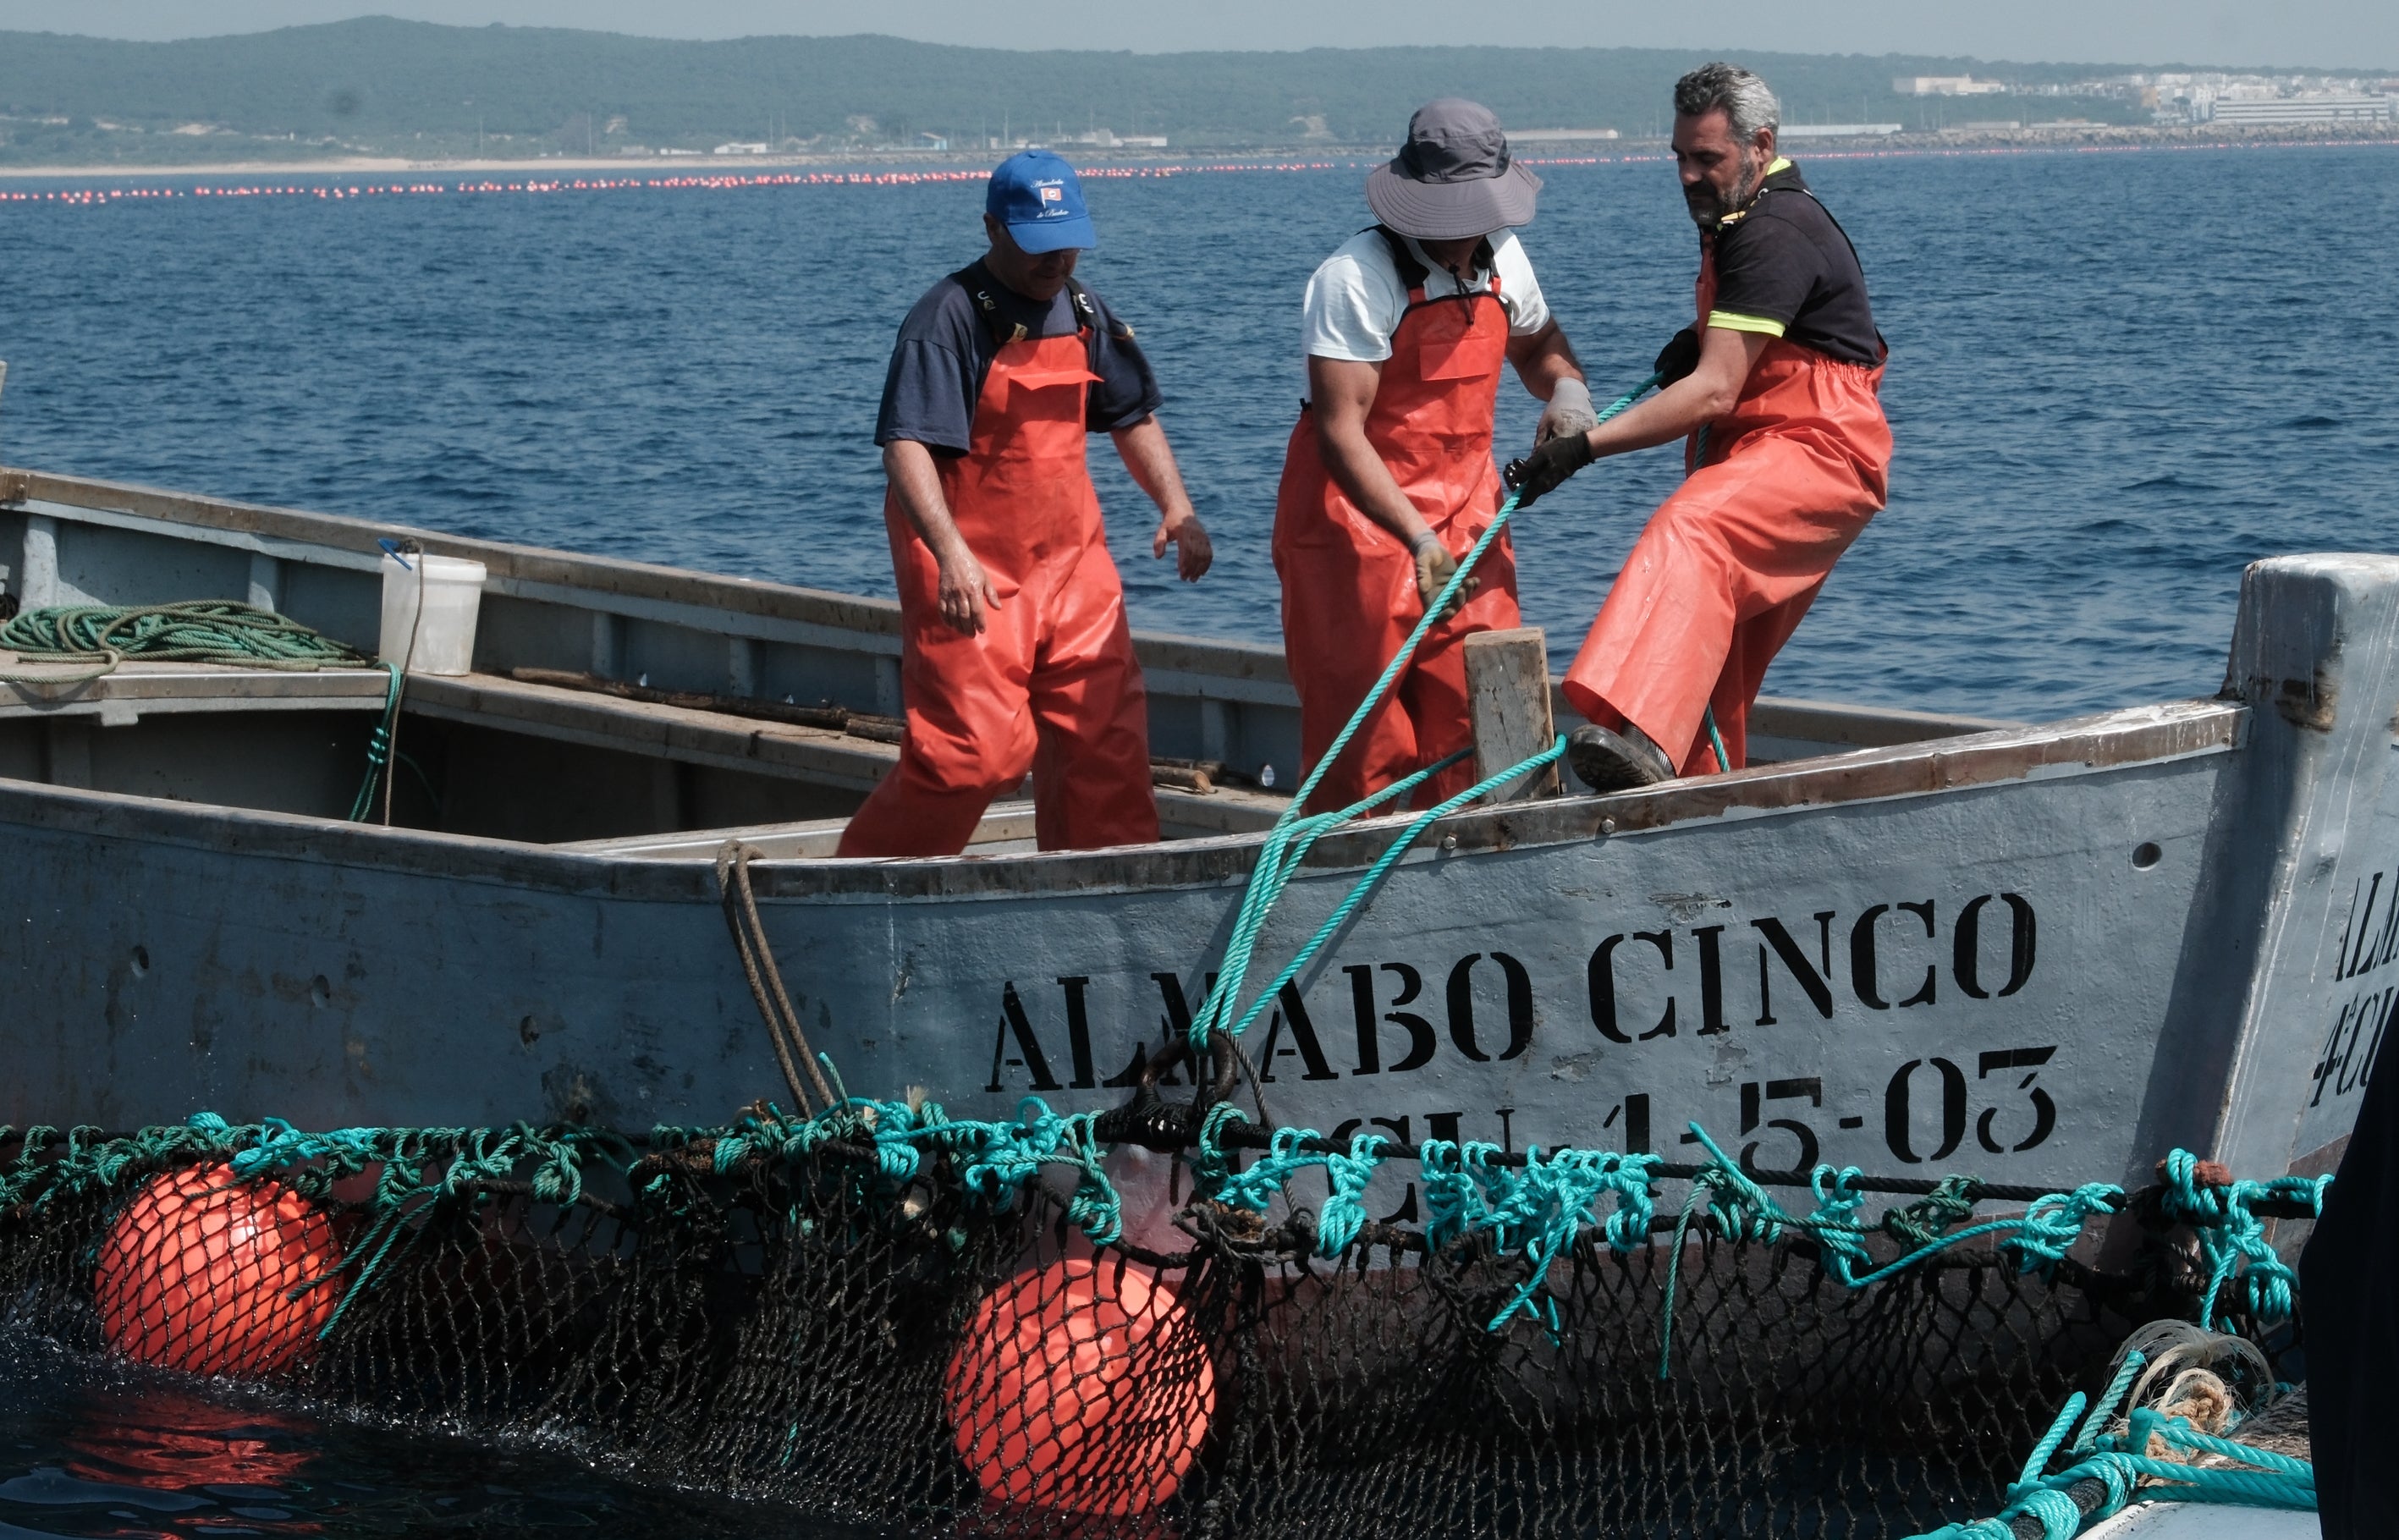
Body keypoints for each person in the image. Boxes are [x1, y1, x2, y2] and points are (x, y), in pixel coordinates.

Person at [1507, 62, 1891, 791]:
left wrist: (1580, 450)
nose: (1687, 175)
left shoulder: (1772, 230)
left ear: (1759, 144)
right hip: (1773, 446)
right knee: (1722, 656)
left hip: (1819, 450)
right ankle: (1696, 795)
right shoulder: (1740, 215)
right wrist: (1705, 332)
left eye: (1706, 158)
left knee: (1694, 531)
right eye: (1679, 157)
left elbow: (1713, 393)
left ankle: (1646, 739)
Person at [837, 150, 1211, 858]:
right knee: (974, 754)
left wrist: (1175, 507)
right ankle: (869, 879)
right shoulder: (946, 318)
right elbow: (906, 445)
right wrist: (949, 555)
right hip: (973, 566)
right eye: (1039, 244)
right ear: (992, 228)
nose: (1056, 259)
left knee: (1106, 743)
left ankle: (1103, 895)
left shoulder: (1084, 309)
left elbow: (1130, 416)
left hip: (1074, 566)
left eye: (1067, 240)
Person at [1272, 98, 1592, 812]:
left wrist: (1567, 395)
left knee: (1484, 709)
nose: (1461, 237)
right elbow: (1340, 432)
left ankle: (1487, 876)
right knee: (1363, 739)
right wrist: (1414, 536)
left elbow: (1539, 347)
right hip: (1355, 526)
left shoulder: (1503, 260)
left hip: (1469, 514)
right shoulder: (1352, 279)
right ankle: (1358, 884)